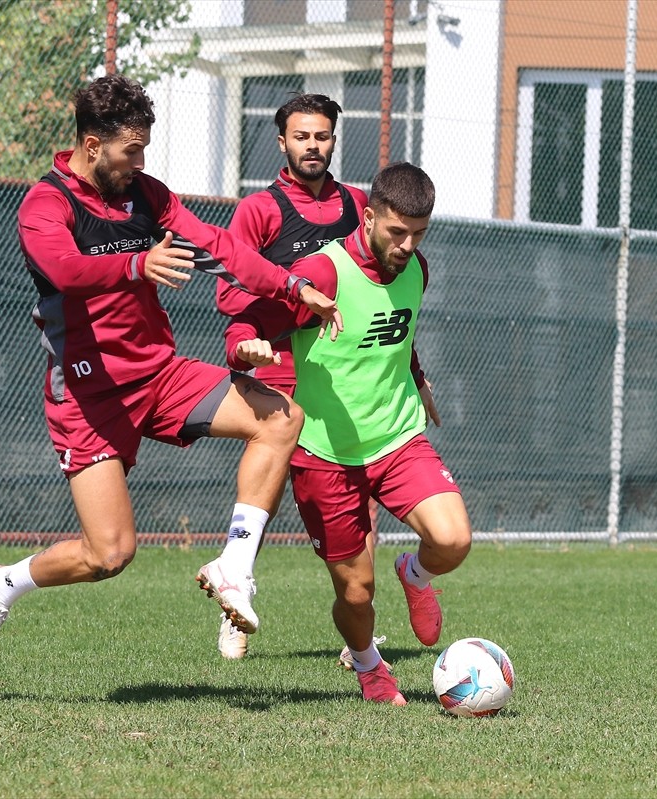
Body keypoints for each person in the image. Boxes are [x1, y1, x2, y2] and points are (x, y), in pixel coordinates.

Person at [0, 74, 341, 665]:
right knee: (108, 555)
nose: (140, 160)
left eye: (144, 148)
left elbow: (221, 248)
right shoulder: (46, 204)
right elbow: (63, 270)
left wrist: (294, 286)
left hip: (158, 375)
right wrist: (138, 264)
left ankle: (234, 567)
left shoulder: (147, 193)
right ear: (93, 146)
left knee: (279, 418)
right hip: (88, 395)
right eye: (130, 149)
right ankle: (1, 584)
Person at [227, 162, 472, 705]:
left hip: (397, 436)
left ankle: (415, 572)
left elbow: (394, 329)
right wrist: (245, 344)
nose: (408, 245)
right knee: (357, 592)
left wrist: (417, 376)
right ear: (368, 218)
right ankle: (369, 667)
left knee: (452, 540)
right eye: (397, 232)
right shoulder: (324, 271)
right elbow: (251, 316)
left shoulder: (418, 271)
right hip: (325, 454)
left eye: (419, 234)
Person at [213, 92, 379, 663]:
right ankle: (237, 592)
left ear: (335, 139)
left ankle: (361, 621)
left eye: (323, 136)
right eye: (302, 136)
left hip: (340, 367)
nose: (314, 145)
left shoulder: (360, 205)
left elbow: (383, 287)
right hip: (278, 361)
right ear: (282, 142)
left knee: (359, 484)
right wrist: (251, 339)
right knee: (271, 486)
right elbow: (229, 291)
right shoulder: (259, 209)